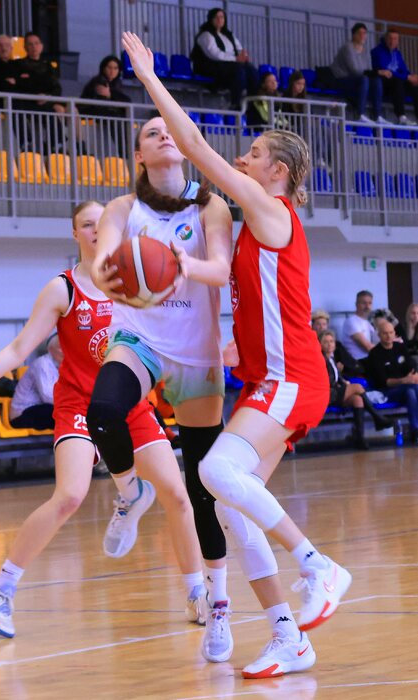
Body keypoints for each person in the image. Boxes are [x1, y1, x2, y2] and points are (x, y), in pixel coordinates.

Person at [120, 32, 352, 678]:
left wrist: (149, 79)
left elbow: (194, 147)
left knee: (216, 472)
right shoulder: (255, 228)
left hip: (292, 376)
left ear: (277, 172)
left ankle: (318, 565)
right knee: (229, 502)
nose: (239, 160)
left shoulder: (269, 208)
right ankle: (288, 636)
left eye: (251, 154)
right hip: (268, 376)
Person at [0, 201, 205, 638]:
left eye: (103, 222)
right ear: (75, 233)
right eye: (86, 224)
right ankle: (0, 588)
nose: (96, 229)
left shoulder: (138, 282)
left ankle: (196, 593)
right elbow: (19, 349)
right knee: (70, 496)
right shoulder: (63, 289)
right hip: (78, 404)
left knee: (177, 493)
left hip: (129, 403)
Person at [88, 115, 237, 663]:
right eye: (151, 133)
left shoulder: (211, 207)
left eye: (169, 129)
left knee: (201, 487)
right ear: (140, 156)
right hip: (141, 337)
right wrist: (108, 273)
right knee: (103, 410)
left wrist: (179, 265)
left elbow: (221, 271)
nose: (164, 135)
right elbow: (102, 262)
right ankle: (130, 492)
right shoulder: (123, 209)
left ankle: (218, 606)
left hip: (196, 352)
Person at [320, 329, 392, 449]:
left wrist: (343, 382)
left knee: (357, 400)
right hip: (327, 394)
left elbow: (337, 377)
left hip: (335, 392)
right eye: (326, 342)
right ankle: (377, 417)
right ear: (320, 344)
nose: (329, 344)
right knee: (358, 387)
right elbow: (326, 381)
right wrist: (343, 386)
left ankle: (359, 438)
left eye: (331, 341)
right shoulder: (320, 359)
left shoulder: (332, 358)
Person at [190, 7, 258, 110]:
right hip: (210, 67)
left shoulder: (229, 35)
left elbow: (239, 49)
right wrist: (236, 59)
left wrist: (243, 55)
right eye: (216, 17)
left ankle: (252, 103)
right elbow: (214, 54)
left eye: (221, 17)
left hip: (228, 66)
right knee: (238, 71)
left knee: (251, 70)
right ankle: (235, 103)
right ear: (211, 19)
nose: (219, 20)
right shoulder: (205, 35)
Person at [366, 320, 418, 444]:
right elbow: (384, 382)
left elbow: (411, 366)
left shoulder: (400, 348)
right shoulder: (375, 354)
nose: (388, 336)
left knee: (411, 392)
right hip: (386, 391)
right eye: (385, 333)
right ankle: (415, 430)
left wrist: (414, 375)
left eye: (391, 332)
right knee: (411, 389)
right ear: (379, 335)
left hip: (408, 388)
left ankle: (415, 430)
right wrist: (404, 380)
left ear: (395, 333)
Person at [13, 32, 67, 152]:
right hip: (27, 102)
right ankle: (33, 144)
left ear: (41, 46)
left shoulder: (49, 66)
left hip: (46, 101)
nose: (34, 47)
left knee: (55, 112)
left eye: (36, 43)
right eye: (30, 44)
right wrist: (36, 94)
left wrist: (48, 97)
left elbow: (57, 88)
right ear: (25, 47)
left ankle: (58, 145)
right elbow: (19, 85)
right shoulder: (18, 64)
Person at [330, 22, 386, 124]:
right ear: (354, 35)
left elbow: (369, 69)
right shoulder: (347, 47)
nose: (362, 35)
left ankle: (377, 115)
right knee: (364, 79)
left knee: (376, 81)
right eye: (359, 33)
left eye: (364, 33)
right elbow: (355, 70)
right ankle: (360, 114)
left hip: (357, 79)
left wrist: (374, 73)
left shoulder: (366, 50)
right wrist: (377, 72)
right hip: (341, 79)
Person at [9, 333, 62, 430]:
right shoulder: (43, 364)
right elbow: (48, 396)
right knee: (62, 413)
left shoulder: (61, 366)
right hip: (21, 414)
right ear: (52, 349)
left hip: (39, 408)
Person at [371, 29, 418, 125]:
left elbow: (403, 70)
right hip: (384, 84)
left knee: (415, 86)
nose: (392, 41)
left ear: (398, 41)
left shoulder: (397, 53)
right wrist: (407, 77)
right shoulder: (377, 51)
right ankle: (401, 117)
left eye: (395, 39)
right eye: (390, 38)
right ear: (385, 39)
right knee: (398, 81)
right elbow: (387, 72)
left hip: (398, 83)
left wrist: (411, 76)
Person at [311, 309, 362, 377]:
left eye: (324, 324)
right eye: (318, 324)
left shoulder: (337, 345)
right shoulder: (311, 344)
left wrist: (344, 367)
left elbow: (350, 363)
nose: (321, 327)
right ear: (312, 326)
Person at [341, 290, 378, 362]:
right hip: (357, 362)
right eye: (364, 303)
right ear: (356, 304)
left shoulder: (368, 322)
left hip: (368, 360)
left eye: (370, 303)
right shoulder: (351, 321)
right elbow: (368, 347)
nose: (367, 306)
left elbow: (378, 340)